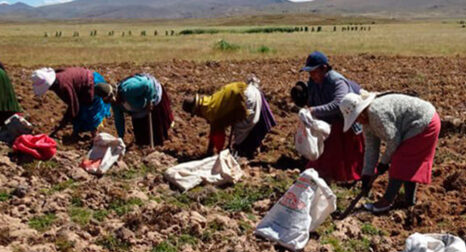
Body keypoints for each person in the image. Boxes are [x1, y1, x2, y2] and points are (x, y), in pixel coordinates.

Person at [340, 91, 440, 214]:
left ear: (361, 111)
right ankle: (409, 202)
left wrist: (383, 163)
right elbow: (371, 148)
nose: (357, 122)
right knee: (406, 163)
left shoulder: (376, 113)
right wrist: (367, 174)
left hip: (424, 122)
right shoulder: (366, 122)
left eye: (356, 118)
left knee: (400, 161)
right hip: (413, 125)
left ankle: (386, 201)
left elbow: (394, 140)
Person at [292, 51, 364, 182]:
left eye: (313, 71)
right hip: (329, 121)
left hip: (345, 121)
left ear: (324, 68)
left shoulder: (337, 81)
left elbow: (338, 104)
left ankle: (347, 177)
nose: (311, 75)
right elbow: (312, 99)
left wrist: (314, 110)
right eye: (310, 72)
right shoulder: (313, 82)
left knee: (346, 156)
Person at [182, 77, 276, 158]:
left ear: (196, 110)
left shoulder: (210, 111)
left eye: (196, 114)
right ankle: (253, 147)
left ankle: (247, 150)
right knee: (243, 127)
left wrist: (215, 152)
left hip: (246, 99)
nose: (198, 116)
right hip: (251, 90)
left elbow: (218, 134)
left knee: (242, 132)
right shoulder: (210, 101)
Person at [95, 73, 173, 147]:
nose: (113, 101)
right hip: (138, 109)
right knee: (142, 139)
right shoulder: (116, 104)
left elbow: (148, 85)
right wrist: (120, 137)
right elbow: (119, 119)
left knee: (158, 132)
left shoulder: (129, 89)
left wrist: (150, 101)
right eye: (109, 100)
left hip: (152, 93)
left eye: (111, 97)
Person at [31, 67, 111, 137]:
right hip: (87, 82)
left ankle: (94, 135)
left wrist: (62, 124)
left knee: (91, 113)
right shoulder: (57, 76)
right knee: (80, 112)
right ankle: (76, 133)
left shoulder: (62, 86)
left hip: (91, 85)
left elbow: (74, 107)